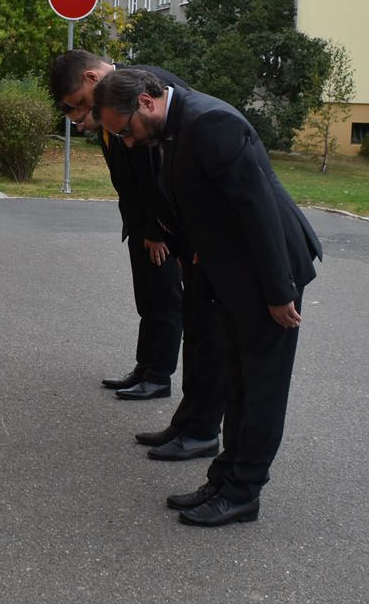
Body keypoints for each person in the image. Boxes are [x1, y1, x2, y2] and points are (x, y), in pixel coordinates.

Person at [93, 68, 321, 527]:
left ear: (146, 102)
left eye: (126, 131)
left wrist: (279, 292)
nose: (128, 142)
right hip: (232, 271)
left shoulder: (211, 123)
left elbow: (258, 209)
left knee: (260, 389)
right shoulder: (175, 128)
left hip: (267, 273)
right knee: (236, 381)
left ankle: (243, 493)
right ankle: (224, 479)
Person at [49, 51, 223, 462]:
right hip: (152, 224)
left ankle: (182, 406)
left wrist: (161, 232)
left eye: (79, 103)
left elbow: (163, 170)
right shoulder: (114, 103)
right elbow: (131, 176)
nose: (82, 115)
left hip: (177, 231)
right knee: (159, 306)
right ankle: (180, 411)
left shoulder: (150, 89)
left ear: (91, 78)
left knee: (187, 320)